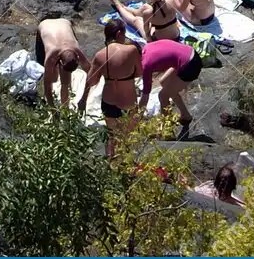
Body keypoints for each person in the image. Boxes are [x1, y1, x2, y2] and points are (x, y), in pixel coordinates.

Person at [77, 18, 141, 156]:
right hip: (128, 101)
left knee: (111, 135)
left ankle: (110, 164)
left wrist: (83, 100)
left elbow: (91, 80)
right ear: (119, 34)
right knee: (127, 136)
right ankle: (124, 165)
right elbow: (139, 72)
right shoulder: (132, 50)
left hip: (109, 101)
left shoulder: (100, 55)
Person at [139, 37, 202, 135]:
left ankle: (167, 130)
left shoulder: (145, 65)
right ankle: (185, 115)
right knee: (164, 82)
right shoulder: (146, 48)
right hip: (189, 53)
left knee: (163, 95)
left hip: (190, 65)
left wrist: (137, 117)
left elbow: (145, 95)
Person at [35, 17, 90, 110]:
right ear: (60, 61)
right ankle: (56, 100)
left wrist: (84, 99)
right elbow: (47, 84)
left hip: (65, 23)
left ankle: (65, 106)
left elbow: (90, 71)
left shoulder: (76, 48)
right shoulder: (51, 54)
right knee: (51, 77)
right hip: (44, 25)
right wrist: (52, 109)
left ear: (77, 57)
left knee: (65, 81)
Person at [111, 0, 181, 42]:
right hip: (176, 37)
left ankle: (119, 6)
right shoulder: (171, 1)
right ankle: (124, 7)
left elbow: (146, 31)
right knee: (158, 22)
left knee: (137, 20)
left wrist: (149, 40)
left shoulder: (148, 11)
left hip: (160, 41)